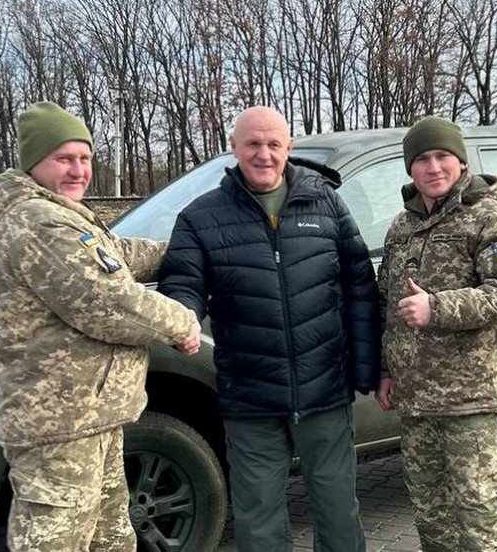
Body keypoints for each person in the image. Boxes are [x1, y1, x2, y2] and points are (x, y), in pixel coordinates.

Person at [0, 101, 201, 551]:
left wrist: (188, 248)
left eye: (85, 158)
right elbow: (109, 304)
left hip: (91, 421)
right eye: (64, 158)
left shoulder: (60, 212)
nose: (79, 170)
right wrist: (182, 322)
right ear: (34, 162)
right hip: (57, 430)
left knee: (111, 539)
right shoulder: (36, 222)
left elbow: (114, 252)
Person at [157, 106, 379, 552]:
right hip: (250, 396)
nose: (264, 154)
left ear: (288, 147)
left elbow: (359, 288)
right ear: (234, 147)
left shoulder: (326, 203)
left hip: (324, 390)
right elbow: (182, 284)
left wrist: (368, 371)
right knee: (258, 518)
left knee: (338, 510)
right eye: (253, 144)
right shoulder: (201, 217)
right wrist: (181, 318)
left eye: (274, 144)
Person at [375, 116, 497, 552]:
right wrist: (387, 371)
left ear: (460, 162)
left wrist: (437, 307)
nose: (433, 166)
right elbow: (389, 304)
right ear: (410, 169)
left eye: (443, 156)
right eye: (422, 159)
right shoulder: (400, 227)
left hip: (468, 399)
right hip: (416, 400)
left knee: (478, 517)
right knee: (430, 516)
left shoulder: (489, 218)